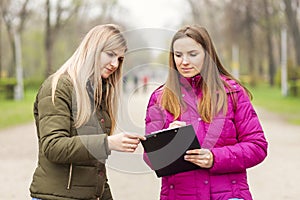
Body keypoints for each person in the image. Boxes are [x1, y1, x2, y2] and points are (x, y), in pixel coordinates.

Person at [144, 25, 268, 200]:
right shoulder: (160, 98)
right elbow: (150, 158)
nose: (184, 61)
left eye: (192, 54)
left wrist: (214, 158)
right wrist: (169, 140)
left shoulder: (232, 92)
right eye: (178, 55)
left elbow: (258, 146)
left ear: (207, 54)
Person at [30, 24, 145, 200]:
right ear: (93, 49)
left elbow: (95, 168)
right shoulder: (59, 87)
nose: (115, 64)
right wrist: (108, 143)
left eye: (120, 58)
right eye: (110, 54)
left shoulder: (98, 93)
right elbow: (53, 147)